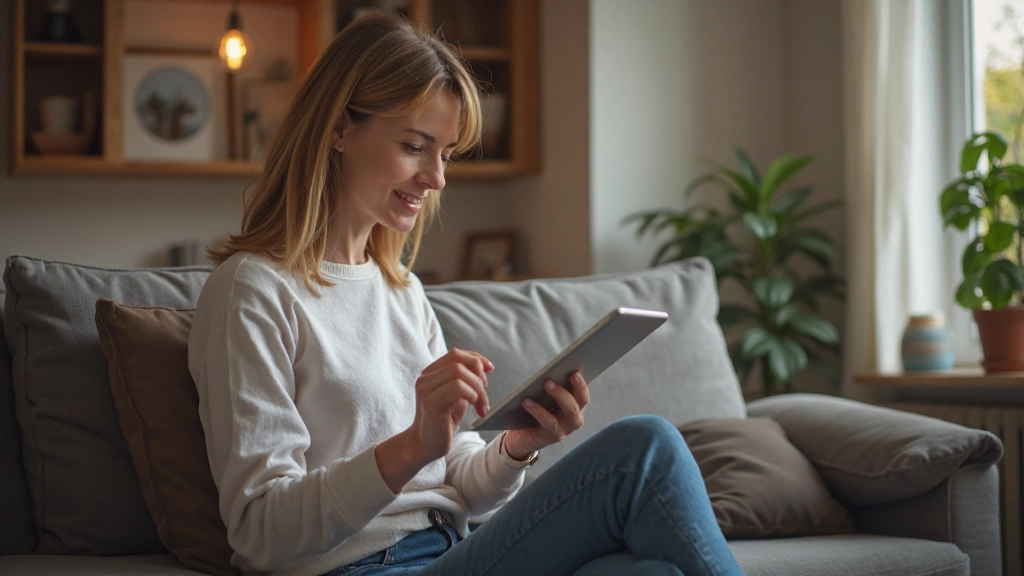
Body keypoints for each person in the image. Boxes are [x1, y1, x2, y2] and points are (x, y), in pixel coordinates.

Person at [188, 12, 744, 576]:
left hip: (450, 552)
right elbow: (259, 532)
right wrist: (411, 446)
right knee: (642, 450)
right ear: (338, 129)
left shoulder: (400, 291)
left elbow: (461, 486)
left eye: (446, 154)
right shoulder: (252, 290)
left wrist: (518, 446)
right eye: (414, 146)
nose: (436, 178)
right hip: (365, 569)